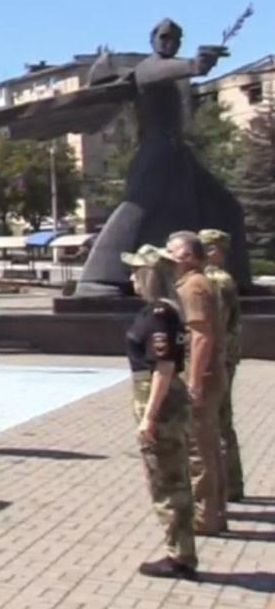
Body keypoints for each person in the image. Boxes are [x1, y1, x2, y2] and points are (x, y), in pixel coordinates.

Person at [121, 244, 197, 581]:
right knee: (172, 479)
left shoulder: (159, 315)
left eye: (136, 270)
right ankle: (180, 551)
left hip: (161, 406)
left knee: (167, 482)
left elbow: (163, 367)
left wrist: (150, 416)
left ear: (149, 275)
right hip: (162, 401)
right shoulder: (161, 310)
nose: (131, 276)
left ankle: (179, 556)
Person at [167, 230, 227, 535]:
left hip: (201, 373)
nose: (168, 257)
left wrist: (193, 382)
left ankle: (205, 517)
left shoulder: (193, 287)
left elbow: (201, 335)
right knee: (209, 446)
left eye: (172, 252)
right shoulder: (201, 282)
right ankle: (215, 510)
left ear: (188, 257)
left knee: (199, 449)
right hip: (209, 373)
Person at [199, 228, 243, 501]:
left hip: (218, 359)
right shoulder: (219, 278)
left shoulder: (216, 280)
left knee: (216, 421)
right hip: (225, 356)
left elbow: (214, 326)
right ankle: (233, 485)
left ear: (214, 250)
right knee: (223, 420)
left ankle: (226, 487)